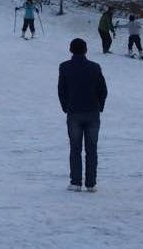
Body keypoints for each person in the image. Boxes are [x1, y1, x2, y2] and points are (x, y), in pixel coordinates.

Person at [58, 38, 108, 192]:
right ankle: (91, 183)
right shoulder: (95, 67)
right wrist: (100, 106)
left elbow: (62, 90)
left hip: (74, 112)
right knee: (91, 149)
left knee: (75, 148)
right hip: (92, 112)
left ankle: (76, 182)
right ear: (86, 50)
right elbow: (103, 90)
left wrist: (66, 107)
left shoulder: (64, 67)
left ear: (71, 50)